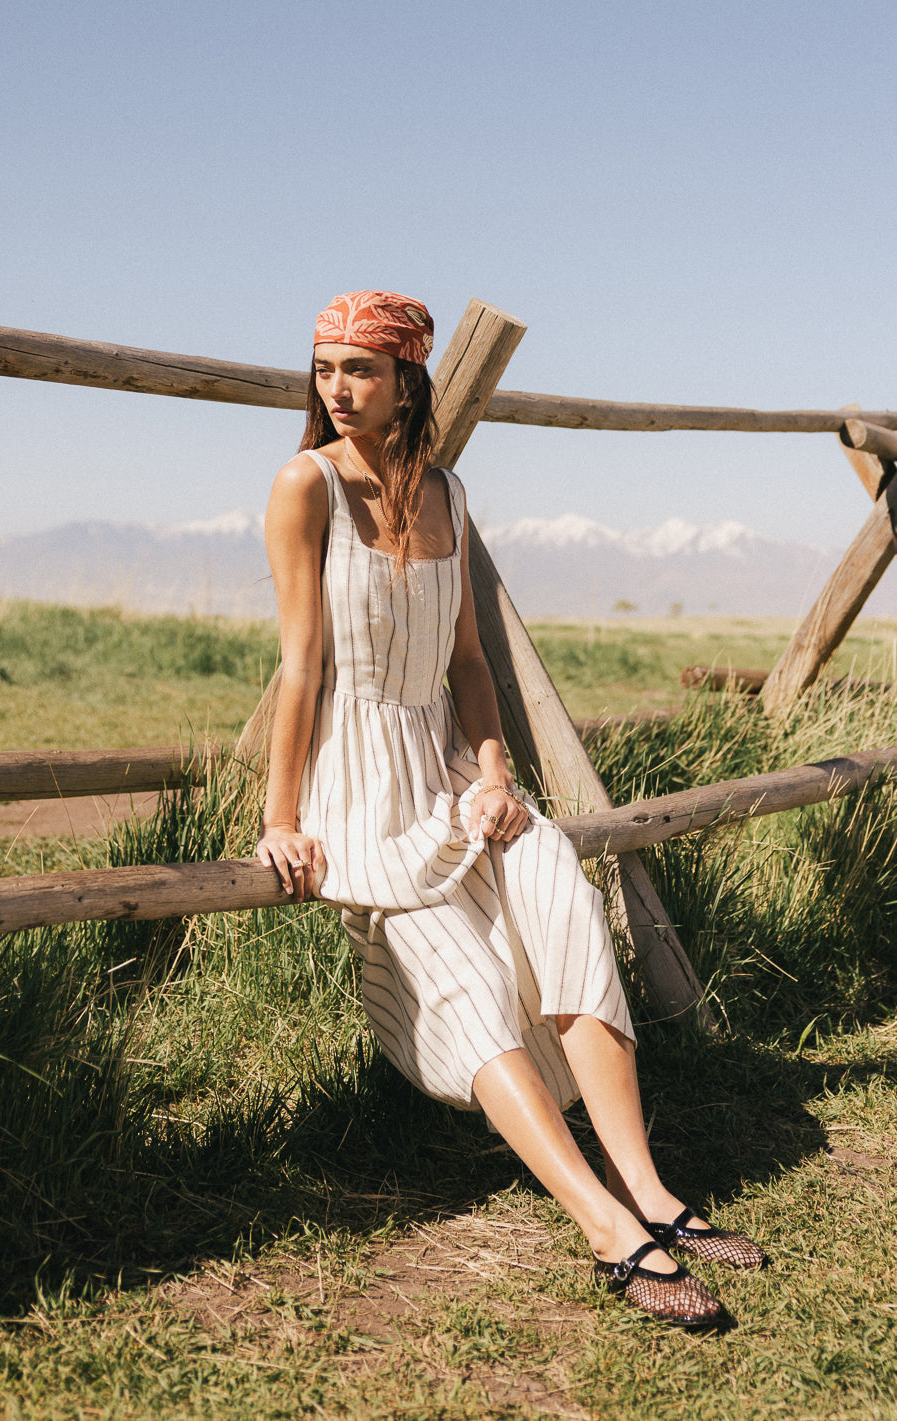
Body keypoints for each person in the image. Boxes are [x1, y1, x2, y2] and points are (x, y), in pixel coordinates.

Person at [256, 290, 765, 1326]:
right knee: (465, 979)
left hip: (451, 772)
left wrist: (492, 773)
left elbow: (469, 664)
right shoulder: (305, 484)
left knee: (560, 897)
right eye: (324, 367)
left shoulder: (448, 491)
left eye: (361, 368)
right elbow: (300, 668)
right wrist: (281, 819)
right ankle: (605, 1227)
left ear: (407, 380)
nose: (337, 388)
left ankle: (648, 1189)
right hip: (358, 793)